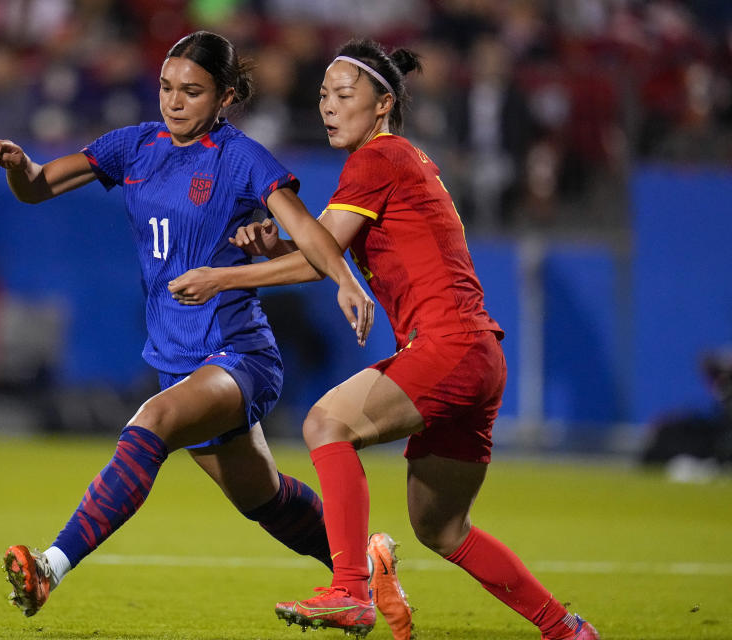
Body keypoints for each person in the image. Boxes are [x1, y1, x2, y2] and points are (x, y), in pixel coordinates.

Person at [168, 38, 601, 640]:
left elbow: (323, 262)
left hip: (447, 346)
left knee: (325, 425)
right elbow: (324, 249)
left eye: (344, 95)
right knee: (441, 528)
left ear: (382, 104)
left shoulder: (378, 159)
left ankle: (349, 589)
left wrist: (223, 276)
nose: (328, 107)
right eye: (322, 96)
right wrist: (280, 248)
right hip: (479, 355)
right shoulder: (404, 160)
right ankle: (566, 629)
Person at [0, 30, 405, 631]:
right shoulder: (131, 146)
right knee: (263, 499)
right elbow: (39, 187)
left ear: (226, 97)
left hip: (238, 353)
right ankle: (368, 561)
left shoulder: (241, 157)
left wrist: (344, 279)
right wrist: (21, 166)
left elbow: (309, 231)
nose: (174, 102)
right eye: (166, 87)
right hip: (176, 355)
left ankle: (50, 565)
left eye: (193, 91)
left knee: (149, 423)